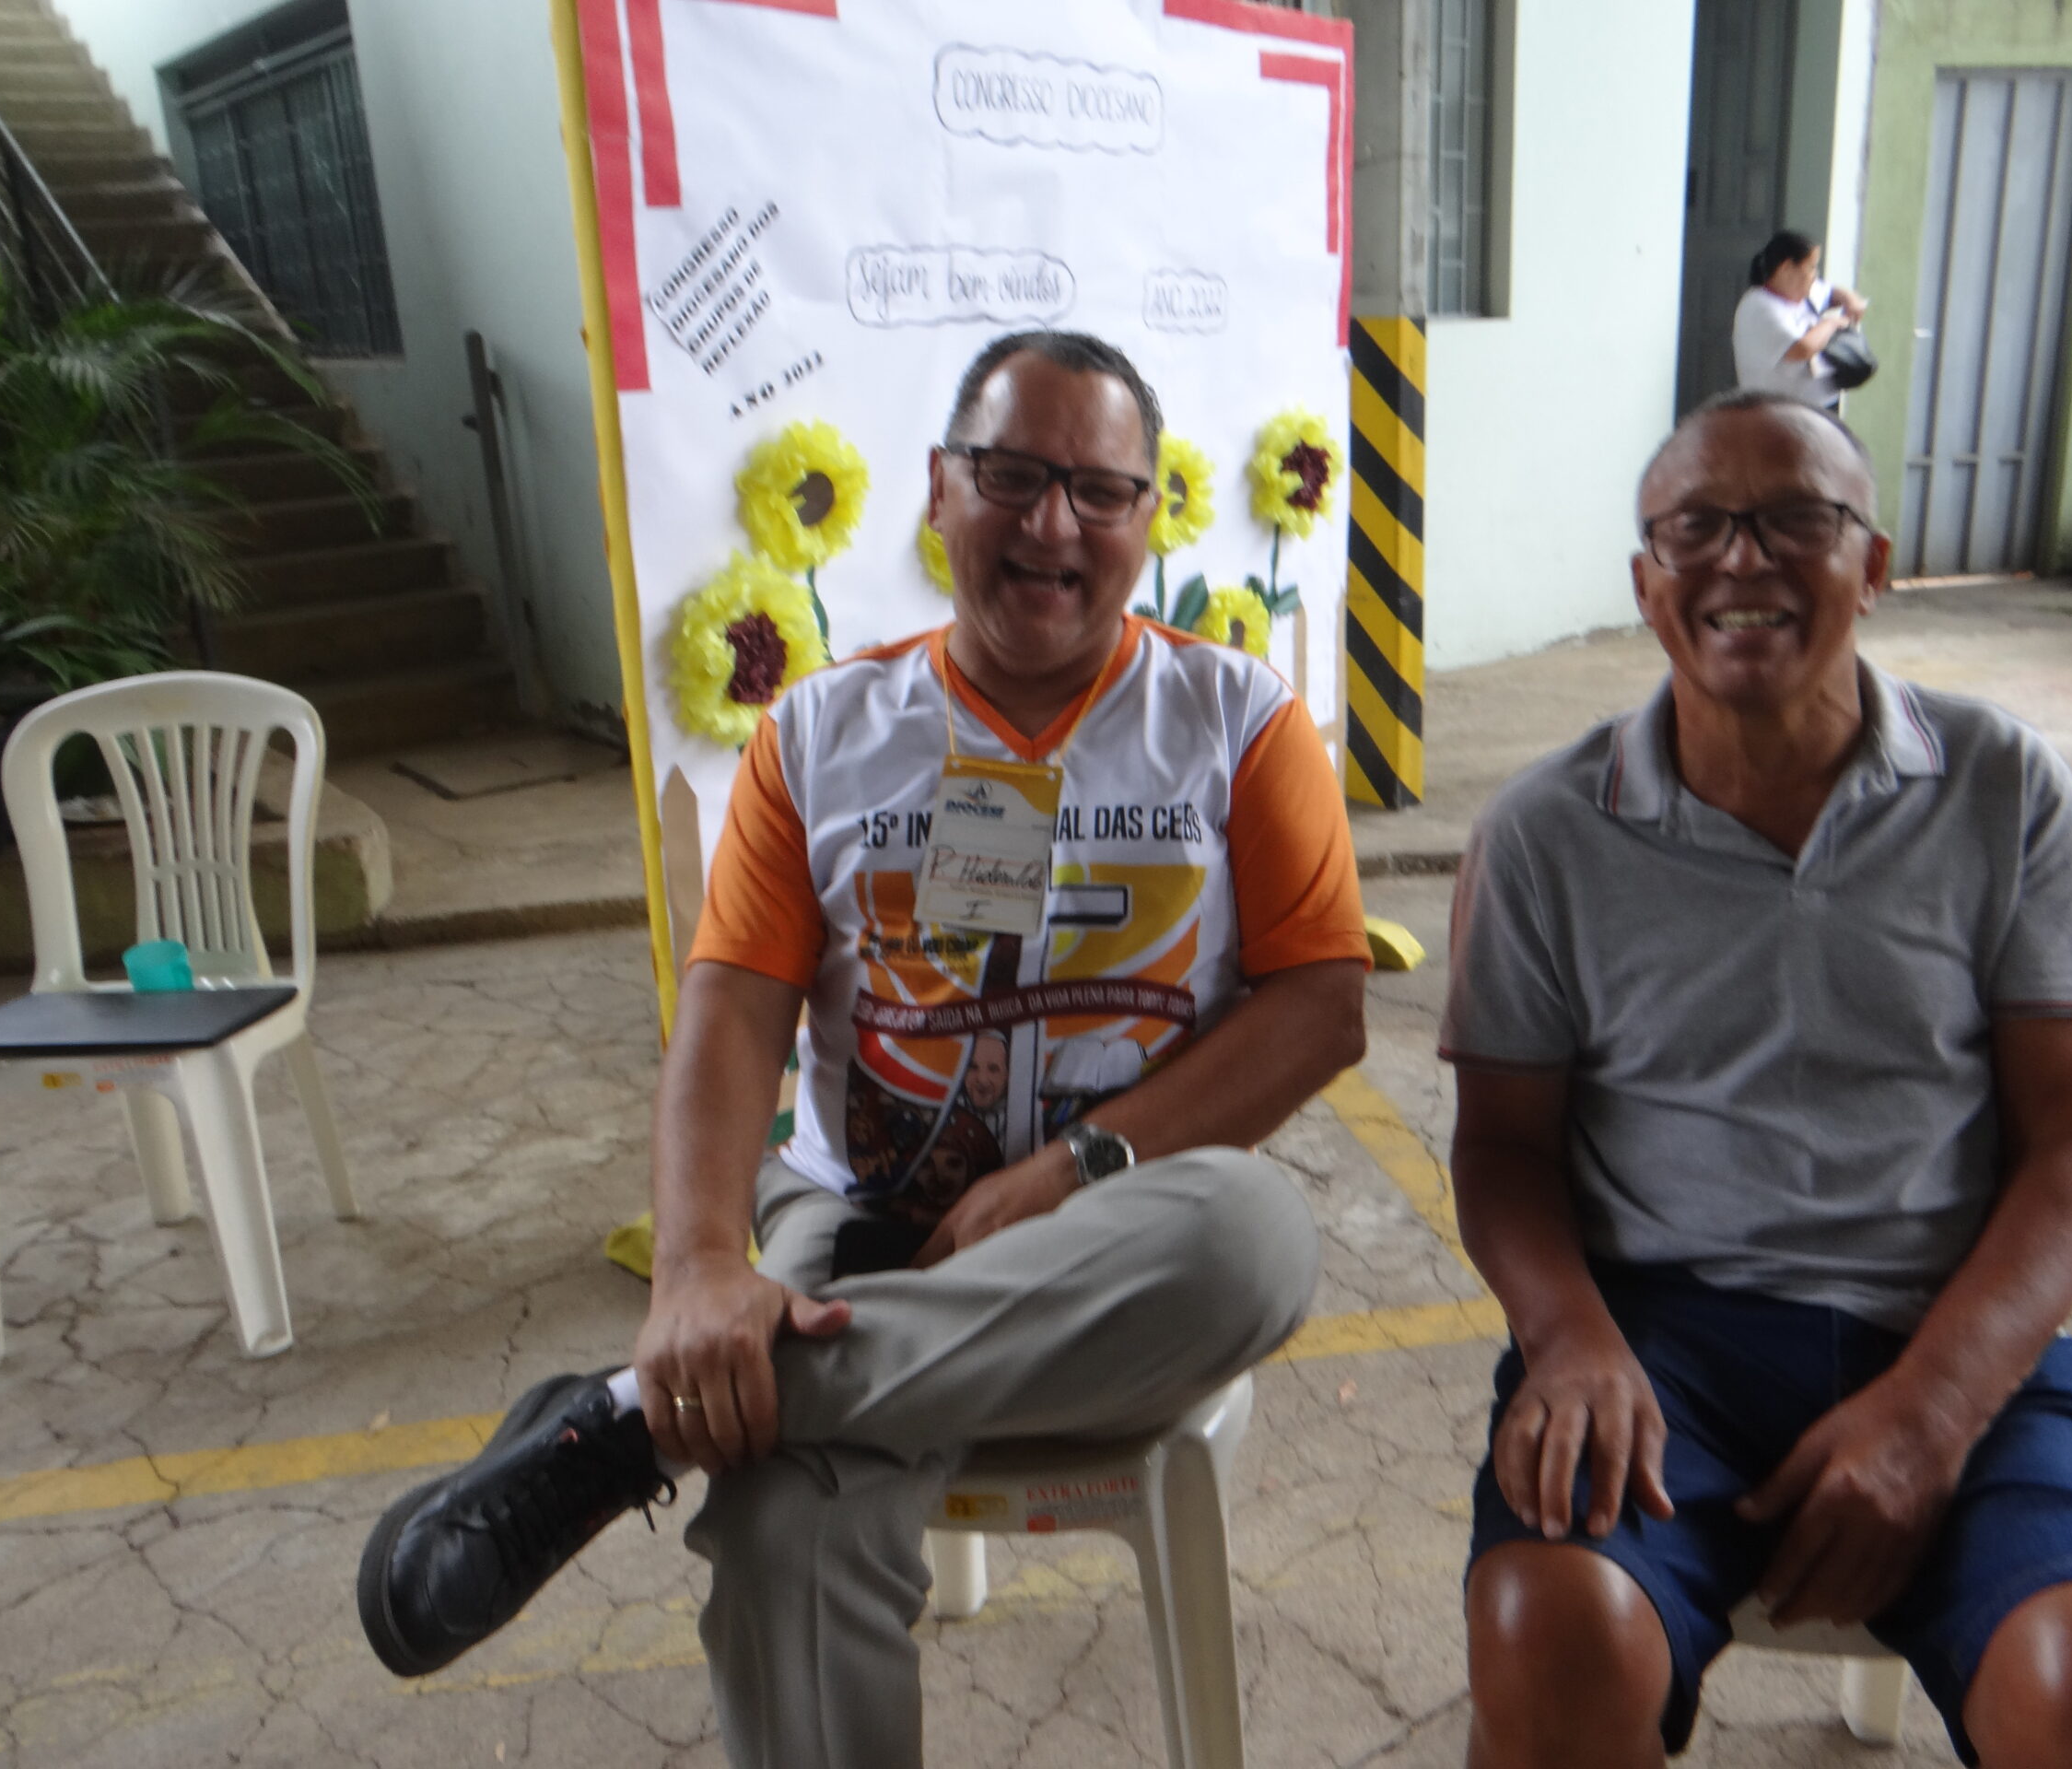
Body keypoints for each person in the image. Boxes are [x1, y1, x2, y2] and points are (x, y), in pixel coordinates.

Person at [357, 331, 1370, 1766]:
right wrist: (700, 1268)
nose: (1052, 525)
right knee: (781, 1523)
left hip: (1112, 1254)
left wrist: (1071, 1173)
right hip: (855, 1226)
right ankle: (712, 1394)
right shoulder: (824, 735)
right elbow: (731, 1012)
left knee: (1252, 1237)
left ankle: (633, 1428)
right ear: (939, 490)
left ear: (1150, 517)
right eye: (1011, 477)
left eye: (1098, 490)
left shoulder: (1235, 722)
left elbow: (1322, 1004)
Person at [1443, 388, 2072, 1769]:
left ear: (1875, 567)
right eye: (1694, 528)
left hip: (1950, 1329)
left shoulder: (2002, 787)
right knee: (1545, 1633)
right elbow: (1503, 1147)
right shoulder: (1547, 832)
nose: (1741, 558)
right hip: (1658, 1346)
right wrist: (1566, 1337)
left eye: (1798, 519)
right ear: (1646, 584)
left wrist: (1933, 1413)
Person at [1731, 228, 1866, 411]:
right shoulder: (1760, 305)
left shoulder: (1802, 292)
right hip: (1778, 413)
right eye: (1811, 267)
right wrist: (1832, 323)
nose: (1815, 275)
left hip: (1817, 405)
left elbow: (1830, 293)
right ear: (1787, 268)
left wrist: (1850, 300)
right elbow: (1802, 349)